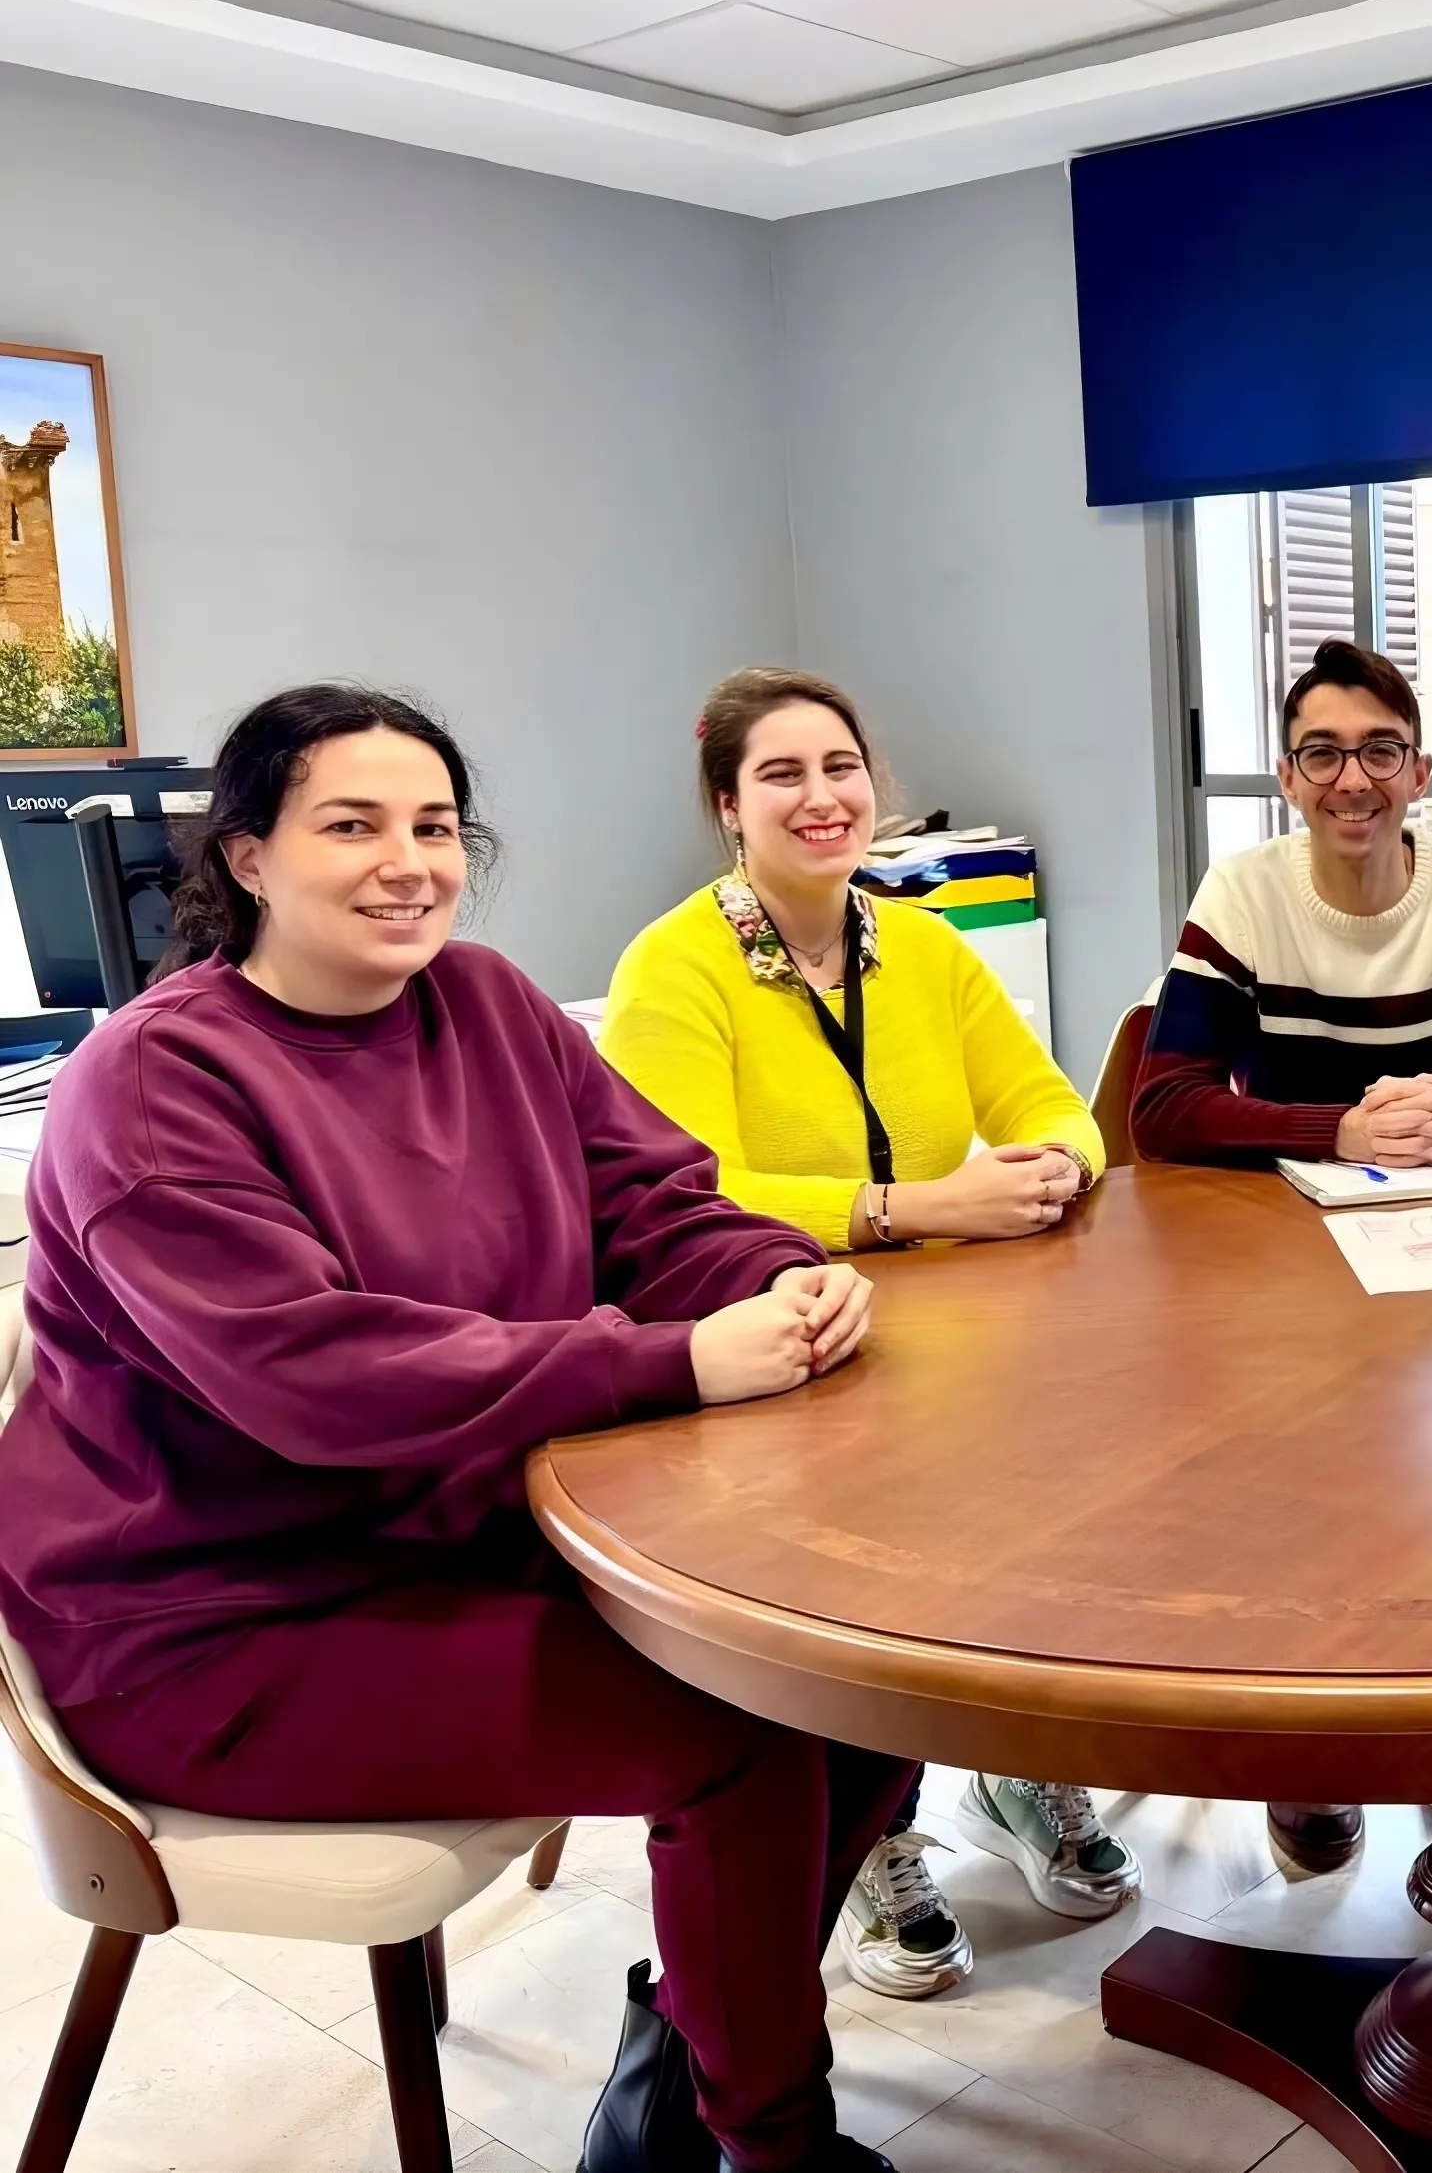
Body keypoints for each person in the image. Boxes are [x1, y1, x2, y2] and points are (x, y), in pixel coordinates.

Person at [0, 687, 900, 2173]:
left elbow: (653, 1203)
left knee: (850, 1665)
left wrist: (778, 1282)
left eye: (432, 825)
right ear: (244, 858)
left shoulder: (484, 1000)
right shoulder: (152, 1086)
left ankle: (695, 2038)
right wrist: (673, 1361)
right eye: (350, 824)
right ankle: (770, 2138)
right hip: (216, 1625)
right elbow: (322, 1379)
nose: (407, 861)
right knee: (739, 1731)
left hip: (452, 1534)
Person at [601, 667, 1138, 1997]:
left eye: (840, 767)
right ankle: (878, 1825)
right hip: (770, 1339)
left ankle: (1019, 1767)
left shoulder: (929, 943)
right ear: (728, 805)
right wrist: (905, 1208)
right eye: (781, 774)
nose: (822, 796)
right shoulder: (672, 968)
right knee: (858, 1581)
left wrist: (1052, 1171)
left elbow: (1057, 1105)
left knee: (1057, 1512)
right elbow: (682, 1188)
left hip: (955, 1334)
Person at [1132, 635, 1432, 1868]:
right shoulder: (1242, 896)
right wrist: (1336, 1125)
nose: (1352, 780)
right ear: (1289, 778)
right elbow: (1162, 1106)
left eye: (1380, 752)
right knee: (1298, 1509)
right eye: (1322, 754)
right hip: (1278, 1256)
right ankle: (1306, 1748)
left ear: (1420, 773)